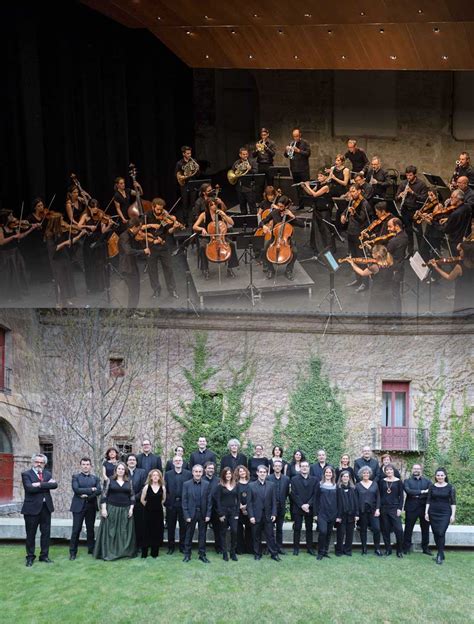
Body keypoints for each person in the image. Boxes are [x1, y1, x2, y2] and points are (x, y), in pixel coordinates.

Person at [94, 462, 136, 560]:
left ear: (125, 470)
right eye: (119, 469)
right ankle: (109, 552)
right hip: (112, 508)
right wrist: (104, 509)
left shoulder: (128, 481)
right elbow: (104, 496)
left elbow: (132, 496)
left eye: (122, 469)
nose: (120, 471)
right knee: (111, 531)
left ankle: (123, 552)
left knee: (123, 532)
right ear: (116, 470)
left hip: (125, 509)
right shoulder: (110, 480)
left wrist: (131, 509)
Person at [21, 453, 58, 566]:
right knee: (31, 534)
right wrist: (46, 485)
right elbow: (29, 488)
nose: (39, 464)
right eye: (37, 462)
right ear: (33, 462)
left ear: (44, 464)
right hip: (31, 509)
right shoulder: (26, 474)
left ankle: (44, 556)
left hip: (46, 508)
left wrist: (39, 484)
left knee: (46, 533)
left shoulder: (47, 474)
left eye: (41, 462)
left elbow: (55, 485)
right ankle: (30, 557)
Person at [260, 195, 305, 281]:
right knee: (264, 250)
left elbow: (302, 225)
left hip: (286, 240)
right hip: (275, 238)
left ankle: (288, 270)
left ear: (287, 206)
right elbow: (263, 221)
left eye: (281, 206)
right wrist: (264, 226)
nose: (279, 208)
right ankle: (270, 269)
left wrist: (293, 216)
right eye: (278, 205)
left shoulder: (289, 215)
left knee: (295, 252)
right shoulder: (274, 212)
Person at [142, 198, 179, 299]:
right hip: (151, 246)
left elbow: (169, 231)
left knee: (168, 268)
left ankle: (172, 290)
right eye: (157, 209)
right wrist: (150, 225)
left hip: (163, 245)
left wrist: (175, 227)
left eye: (161, 210)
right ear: (153, 207)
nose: (159, 212)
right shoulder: (146, 215)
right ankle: (156, 290)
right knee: (152, 270)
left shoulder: (164, 217)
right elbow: (140, 228)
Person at [192, 199, 239, 279]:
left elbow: (232, 223)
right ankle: (205, 269)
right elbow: (194, 226)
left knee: (232, 244)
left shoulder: (220, 213)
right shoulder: (204, 214)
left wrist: (224, 215)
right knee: (202, 247)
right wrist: (202, 229)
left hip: (221, 236)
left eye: (215, 204)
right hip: (209, 237)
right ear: (208, 206)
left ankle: (230, 268)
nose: (214, 206)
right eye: (212, 205)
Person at [346, 244, 395, 314]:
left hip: (377, 293)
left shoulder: (375, 267)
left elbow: (362, 273)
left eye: (372, 253)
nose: (371, 254)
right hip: (388, 292)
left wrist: (352, 263)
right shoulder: (389, 260)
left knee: (375, 311)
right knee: (386, 310)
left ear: (376, 256)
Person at [78, 199, 112, 295]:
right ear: (89, 207)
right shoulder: (86, 216)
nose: (95, 210)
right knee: (90, 265)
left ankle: (100, 285)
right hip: (88, 243)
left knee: (99, 264)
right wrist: (89, 227)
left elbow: (103, 231)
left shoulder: (100, 216)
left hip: (98, 242)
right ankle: (91, 287)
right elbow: (79, 226)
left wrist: (109, 225)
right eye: (93, 208)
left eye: (96, 207)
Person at [69, 457, 101, 560]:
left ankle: (91, 549)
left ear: (90, 466)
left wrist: (87, 495)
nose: (85, 466)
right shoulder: (76, 477)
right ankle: (73, 552)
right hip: (78, 506)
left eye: (87, 464)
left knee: (90, 529)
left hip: (91, 506)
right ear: (81, 465)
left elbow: (99, 491)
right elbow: (76, 490)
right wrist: (91, 489)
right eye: (83, 464)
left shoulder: (95, 478)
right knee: (76, 529)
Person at [341, 185, 371, 292]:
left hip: (359, 234)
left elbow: (362, 219)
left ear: (359, 191)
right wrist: (343, 215)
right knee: (354, 257)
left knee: (361, 259)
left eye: (353, 191)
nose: (351, 193)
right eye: (350, 191)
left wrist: (354, 213)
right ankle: (358, 279)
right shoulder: (352, 201)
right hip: (351, 232)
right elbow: (345, 211)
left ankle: (365, 283)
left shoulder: (364, 203)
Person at [429, 241, 474, 313]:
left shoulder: (459, 267)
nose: (459, 251)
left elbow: (449, 277)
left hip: (462, 292)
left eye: (461, 250)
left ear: (466, 252)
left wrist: (436, 267)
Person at [247, 465, 280, 561]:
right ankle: (257, 554)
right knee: (256, 536)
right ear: (257, 473)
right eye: (260, 472)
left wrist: (274, 514)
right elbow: (249, 503)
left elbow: (274, 501)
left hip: (268, 515)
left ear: (266, 473)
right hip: (256, 516)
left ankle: (274, 554)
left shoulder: (271, 485)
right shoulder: (251, 485)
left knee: (270, 536)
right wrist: (251, 516)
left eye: (264, 472)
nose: (262, 474)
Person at [425, 468, 456, 565]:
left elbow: (453, 502)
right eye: (438, 475)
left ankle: (439, 554)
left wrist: (453, 515)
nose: (440, 477)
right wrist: (426, 513)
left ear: (445, 476)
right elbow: (428, 500)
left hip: (445, 513)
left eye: (442, 475)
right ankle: (441, 552)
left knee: (441, 532)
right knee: (435, 533)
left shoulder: (450, 487)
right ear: (435, 476)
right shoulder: (432, 486)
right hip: (433, 512)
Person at [118, 217, 151, 308]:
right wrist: (143, 251)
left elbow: (134, 250)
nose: (140, 230)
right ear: (134, 227)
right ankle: (130, 313)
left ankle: (133, 311)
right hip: (127, 268)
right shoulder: (125, 236)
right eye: (139, 228)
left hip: (132, 266)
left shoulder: (131, 236)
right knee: (133, 291)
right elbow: (128, 251)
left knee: (136, 290)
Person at [182, 464, 212, 563]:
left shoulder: (207, 484)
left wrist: (208, 514)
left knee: (202, 535)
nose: (198, 473)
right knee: (188, 535)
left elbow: (209, 501)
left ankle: (202, 555)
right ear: (192, 472)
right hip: (191, 514)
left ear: (202, 472)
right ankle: (187, 554)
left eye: (200, 472)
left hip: (203, 514)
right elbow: (184, 501)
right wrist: (186, 515)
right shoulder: (186, 484)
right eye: (196, 471)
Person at [396, 165, 428, 255]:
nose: (408, 177)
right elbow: (396, 198)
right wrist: (400, 195)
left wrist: (412, 192)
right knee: (408, 233)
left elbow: (424, 199)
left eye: (410, 175)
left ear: (414, 175)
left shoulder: (421, 184)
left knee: (419, 233)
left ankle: (422, 253)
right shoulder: (403, 184)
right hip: (405, 211)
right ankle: (410, 252)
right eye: (407, 175)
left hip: (416, 211)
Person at [302, 171, 336, 253]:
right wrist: (304, 187)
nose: (318, 178)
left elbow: (315, 194)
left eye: (320, 176)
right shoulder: (318, 185)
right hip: (317, 208)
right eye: (318, 176)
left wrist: (308, 185)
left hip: (325, 210)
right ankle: (317, 245)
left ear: (326, 177)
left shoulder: (326, 187)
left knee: (325, 228)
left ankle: (329, 247)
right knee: (316, 227)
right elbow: (311, 193)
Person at [402, 463, 432, 555]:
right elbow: (408, 491)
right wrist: (422, 492)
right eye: (415, 468)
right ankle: (406, 548)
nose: (416, 470)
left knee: (425, 528)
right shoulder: (407, 481)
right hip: (411, 507)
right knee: (408, 528)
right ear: (412, 470)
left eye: (418, 469)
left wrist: (416, 494)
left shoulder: (428, 481)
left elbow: (430, 492)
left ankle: (425, 548)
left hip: (424, 508)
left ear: (421, 470)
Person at [164, 455, 191, 554]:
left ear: (182, 462)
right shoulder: (167, 474)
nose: (178, 462)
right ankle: (171, 547)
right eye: (176, 460)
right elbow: (165, 489)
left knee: (183, 527)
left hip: (183, 504)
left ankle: (182, 546)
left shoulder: (188, 474)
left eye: (180, 460)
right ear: (173, 463)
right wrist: (167, 501)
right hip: (171, 504)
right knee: (171, 526)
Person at [290, 460, 317, 556]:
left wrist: (308, 505)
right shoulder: (294, 479)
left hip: (309, 508)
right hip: (298, 507)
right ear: (300, 468)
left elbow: (315, 494)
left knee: (309, 528)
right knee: (297, 528)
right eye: (302, 466)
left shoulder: (314, 480)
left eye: (306, 466)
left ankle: (309, 548)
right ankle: (296, 549)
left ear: (309, 468)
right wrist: (302, 505)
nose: (304, 468)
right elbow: (293, 494)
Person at [355, 466, 383, 556]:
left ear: (370, 474)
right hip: (362, 511)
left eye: (367, 473)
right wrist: (356, 513)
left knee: (377, 529)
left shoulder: (375, 484)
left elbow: (378, 497)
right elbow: (355, 500)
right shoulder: (357, 485)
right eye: (364, 473)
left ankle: (377, 549)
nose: (366, 474)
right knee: (363, 530)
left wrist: (378, 509)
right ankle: (364, 549)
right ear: (361, 474)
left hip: (373, 511)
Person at [379, 463, 404, 557]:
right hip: (384, 508)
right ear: (385, 472)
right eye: (387, 470)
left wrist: (399, 508)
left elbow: (401, 496)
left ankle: (399, 550)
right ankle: (388, 549)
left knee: (399, 530)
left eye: (390, 470)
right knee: (385, 530)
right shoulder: (382, 481)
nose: (389, 472)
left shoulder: (398, 481)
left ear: (393, 471)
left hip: (394, 508)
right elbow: (380, 495)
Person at [215, 467, 240, 561]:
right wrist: (220, 514)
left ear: (232, 474)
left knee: (234, 531)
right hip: (223, 511)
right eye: (226, 474)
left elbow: (238, 500)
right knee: (223, 532)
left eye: (229, 473)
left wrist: (237, 512)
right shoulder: (220, 486)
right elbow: (218, 501)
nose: (228, 475)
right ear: (223, 475)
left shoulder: (236, 485)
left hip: (233, 511)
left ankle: (233, 552)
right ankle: (225, 553)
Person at [140, 469, 166, 558]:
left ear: (160, 477)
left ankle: (154, 553)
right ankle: (144, 553)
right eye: (153, 475)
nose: (155, 477)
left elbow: (163, 500)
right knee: (146, 531)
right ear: (150, 477)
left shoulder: (163, 487)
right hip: (147, 513)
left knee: (157, 532)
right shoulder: (146, 487)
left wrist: (156, 506)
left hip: (158, 513)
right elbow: (142, 500)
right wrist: (149, 506)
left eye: (157, 475)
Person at [314, 466, 338, 560]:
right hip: (322, 513)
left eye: (330, 473)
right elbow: (315, 500)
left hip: (332, 513)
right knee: (323, 532)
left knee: (328, 533)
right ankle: (320, 552)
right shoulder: (319, 484)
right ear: (324, 474)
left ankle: (325, 551)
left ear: (332, 474)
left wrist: (337, 514)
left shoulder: (336, 485)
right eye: (326, 472)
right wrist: (315, 514)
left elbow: (338, 501)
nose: (328, 474)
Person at [284, 128, 311, 210]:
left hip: (303, 169)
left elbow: (308, 153)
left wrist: (299, 151)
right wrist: (286, 150)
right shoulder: (291, 143)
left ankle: (310, 205)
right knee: (298, 188)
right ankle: (301, 205)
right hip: (294, 169)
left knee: (306, 187)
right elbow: (287, 156)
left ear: (300, 135)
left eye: (297, 136)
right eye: (294, 136)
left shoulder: (305, 143)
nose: (295, 138)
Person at [386, 217, 408, 315]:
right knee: (396, 295)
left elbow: (386, 254)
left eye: (390, 227)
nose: (388, 229)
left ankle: (396, 320)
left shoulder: (393, 241)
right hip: (400, 268)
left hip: (393, 270)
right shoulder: (405, 236)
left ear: (397, 226)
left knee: (394, 295)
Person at [126, 454, 147, 557]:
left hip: (139, 503)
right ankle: (128, 546)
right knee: (126, 525)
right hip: (125, 503)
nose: (132, 461)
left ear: (136, 462)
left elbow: (144, 487)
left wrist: (135, 497)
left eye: (134, 460)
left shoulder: (142, 472)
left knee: (139, 525)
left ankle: (139, 545)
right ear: (127, 462)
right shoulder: (123, 472)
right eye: (130, 460)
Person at [267, 458, 290, 554]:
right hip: (271, 508)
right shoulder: (268, 478)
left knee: (279, 529)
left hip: (281, 507)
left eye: (279, 466)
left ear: (281, 467)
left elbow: (287, 493)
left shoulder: (286, 479)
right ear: (273, 467)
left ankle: (279, 547)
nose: (277, 467)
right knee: (270, 530)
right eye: (275, 466)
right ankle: (271, 548)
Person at [335, 470, 358, 556]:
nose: (345, 478)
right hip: (341, 515)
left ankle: (347, 550)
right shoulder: (337, 489)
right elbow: (336, 503)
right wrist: (337, 516)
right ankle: (339, 551)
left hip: (351, 515)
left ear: (349, 478)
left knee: (350, 534)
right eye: (343, 476)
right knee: (340, 534)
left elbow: (356, 502)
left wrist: (356, 514)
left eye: (347, 476)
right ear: (341, 478)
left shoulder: (353, 489)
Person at [175, 146, 200, 225]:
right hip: (184, 184)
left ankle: (193, 221)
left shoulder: (194, 161)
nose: (189, 155)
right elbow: (177, 175)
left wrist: (197, 169)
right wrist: (183, 177)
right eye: (188, 153)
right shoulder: (179, 163)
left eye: (190, 153)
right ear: (183, 154)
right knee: (185, 204)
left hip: (193, 183)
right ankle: (185, 222)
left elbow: (197, 175)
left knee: (193, 204)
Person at [203, 461, 223, 554]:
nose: (211, 470)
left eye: (212, 468)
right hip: (204, 509)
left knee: (218, 530)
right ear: (205, 469)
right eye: (209, 468)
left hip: (215, 509)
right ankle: (202, 548)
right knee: (202, 530)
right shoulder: (201, 480)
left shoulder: (219, 481)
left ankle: (218, 548)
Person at [232, 147, 258, 215]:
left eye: (246, 154)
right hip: (240, 187)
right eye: (244, 154)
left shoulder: (252, 162)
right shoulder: (237, 163)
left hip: (249, 187)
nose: (245, 155)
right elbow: (233, 172)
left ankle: (253, 222)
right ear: (240, 155)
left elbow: (256, 172)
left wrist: (250, 169)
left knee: (252, 206)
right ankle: (244, 222)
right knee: (242, 206)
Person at [234, 464, 253, 554]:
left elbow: (254, 496)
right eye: (240, 471)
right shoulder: (235, 484)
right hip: (238, 510)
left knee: (250, 530)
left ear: (246, 471)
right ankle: (240, 549)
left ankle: (249, 549)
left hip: (250, 509)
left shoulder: (251, 483)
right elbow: (234, 497)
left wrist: (247, 507)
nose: (242, 473)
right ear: (238, 473)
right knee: (239, 530)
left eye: (243, 471)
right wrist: (240, 506)